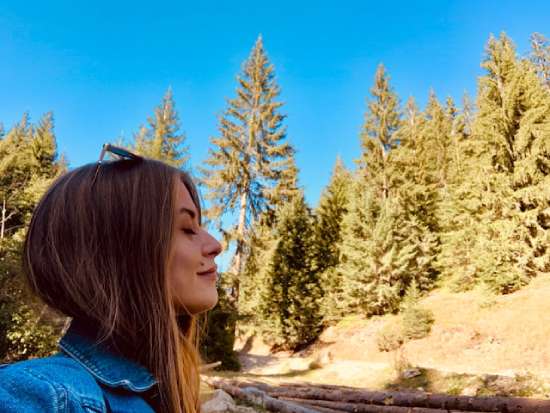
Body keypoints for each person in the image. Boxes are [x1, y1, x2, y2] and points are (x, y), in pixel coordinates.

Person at [0, 144, 223, 413]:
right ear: (118, 251)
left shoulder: (161, 393)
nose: (215, 245)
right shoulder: (46, 394)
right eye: (187, 228)